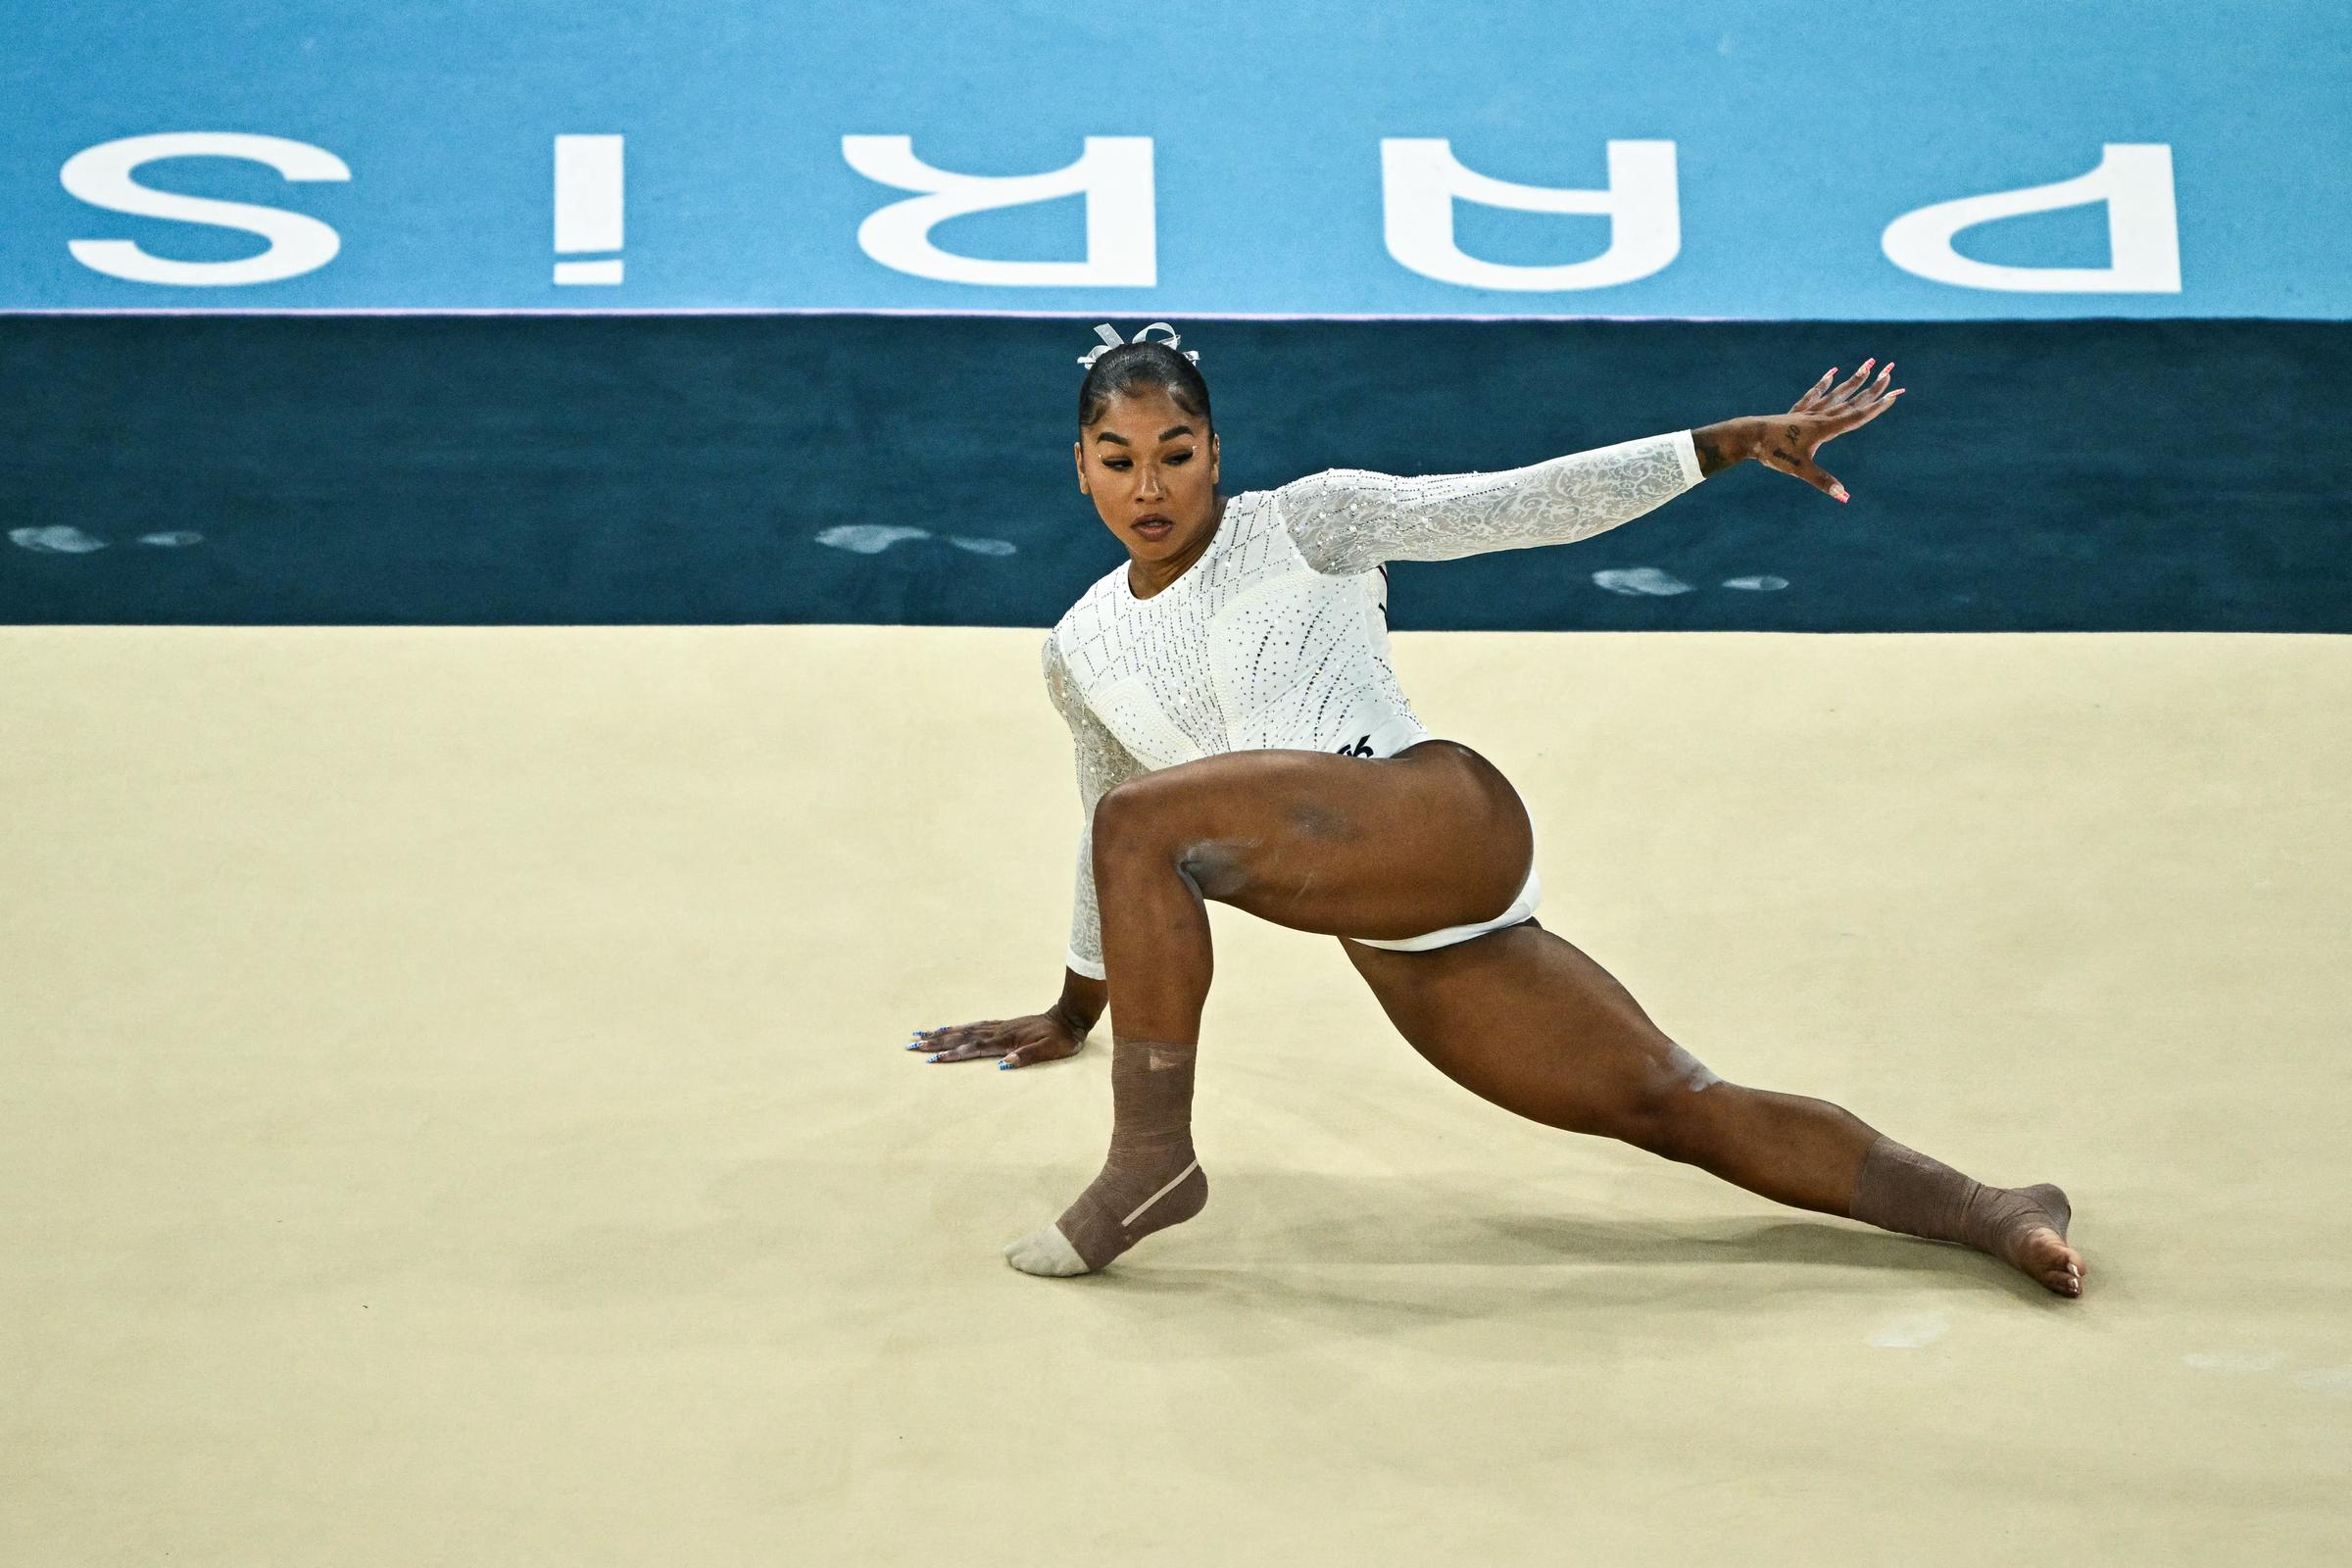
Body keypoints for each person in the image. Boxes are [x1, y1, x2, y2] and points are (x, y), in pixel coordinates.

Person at [911, 321, 2083, 1298]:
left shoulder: (1308, 522)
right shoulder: (1079, 646)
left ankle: (1151, 1160)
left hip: (1435, 815)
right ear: (1079, 467)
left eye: (1176, 451)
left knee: (1148, 823)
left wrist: (1725, 443)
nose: (1150, 485)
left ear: (1218, 450)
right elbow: (1106, 820)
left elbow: (1515, 504)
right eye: (1118, 459)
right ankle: (1989, 1209)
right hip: (1406, 929)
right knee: (1675, 1106)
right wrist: (1073, 1008)